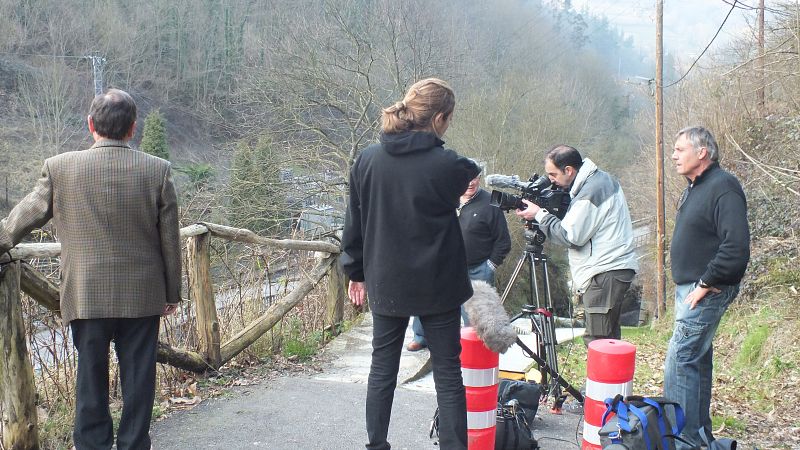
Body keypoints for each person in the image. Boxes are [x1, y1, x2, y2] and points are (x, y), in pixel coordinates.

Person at [0, 89, 181, 450]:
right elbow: (170, 240)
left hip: (85, 295)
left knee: (90, 381)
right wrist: (172, 292)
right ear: (132, 128)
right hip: (142, 297)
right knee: (139, 380)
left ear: (90, 126)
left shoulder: (60, 167)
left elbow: (21, 220)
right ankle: (133, 444)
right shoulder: (157, 170)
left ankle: (93, 445)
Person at [341, 78, 480, 450]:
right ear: (439, 119)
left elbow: (353, 222)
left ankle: (377, 445)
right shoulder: (447, 165)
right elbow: (470, 170)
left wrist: (355, 272)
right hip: (439, 284)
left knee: (382, 368)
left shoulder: (367, 159)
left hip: (387, 280)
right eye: (447, 121)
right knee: (448, 374)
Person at [664, 126, 749, 449]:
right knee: (695, 362)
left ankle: (681, 441)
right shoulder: (696, 186)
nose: (673, 155)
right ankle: (697, 437)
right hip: (690, 288)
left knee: (680, 361)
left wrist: (705, 282)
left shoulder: (723, 186)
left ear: (702, 153)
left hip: (705, 290)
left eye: (679, 149)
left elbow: (736, 248)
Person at [514, 145, 638, 346]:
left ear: (569, 171)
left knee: (598, 341)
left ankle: (600, 379)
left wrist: (539, 214)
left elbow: (570, 236)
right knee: (609, 341)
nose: (551, 180)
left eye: (553, 174)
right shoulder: (598, 181)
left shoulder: (592, 191)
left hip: (604, 271)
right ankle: (611, 379)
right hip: (611, 270)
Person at [407, 169, 511, 351]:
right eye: (465, 179)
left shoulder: (491, 203)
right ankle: (421, 337)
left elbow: (503, 241)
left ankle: (474, 348)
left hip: (477, 269)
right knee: (426, 299)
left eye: (475, 178)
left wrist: (490, 266)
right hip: (443, 265)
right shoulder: (444, 199)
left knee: (477, 314)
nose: (470, 183)